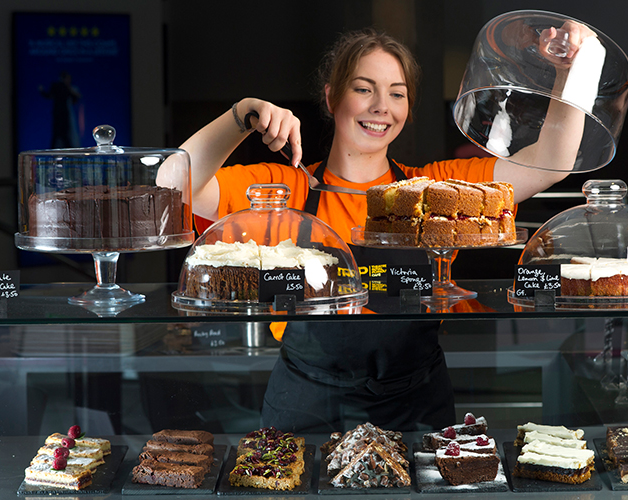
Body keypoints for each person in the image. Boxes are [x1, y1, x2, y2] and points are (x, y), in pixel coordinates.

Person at [160, 24, 594, 433]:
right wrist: (244, 114)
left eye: (397, 94)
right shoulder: (287, 189)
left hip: (416, 403)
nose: (380, 107)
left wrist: (572, 70)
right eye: (363, 89)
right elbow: (170, 184)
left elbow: (551, 161)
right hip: (308, 402)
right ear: (331, 98)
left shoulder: (434, 194)